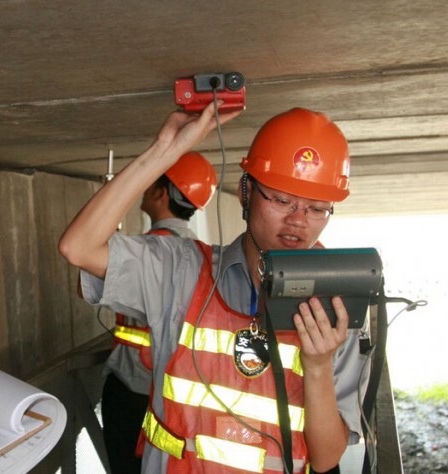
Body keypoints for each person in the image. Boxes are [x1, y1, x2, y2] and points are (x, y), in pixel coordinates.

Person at [59, 103, 369, 473]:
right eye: (282, 200)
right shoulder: (183, 269)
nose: (297, 221)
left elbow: (326, 458)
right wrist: (165, 153)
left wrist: (317, 366)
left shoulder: (337, 306)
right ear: (245, 191)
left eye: (317, 209)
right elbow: (78, 248)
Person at [101, 151, 218, 473]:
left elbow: (85, 270)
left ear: (161, 192)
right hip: (175, 390)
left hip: (133, 385)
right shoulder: (201, 254)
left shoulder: (148, 254)